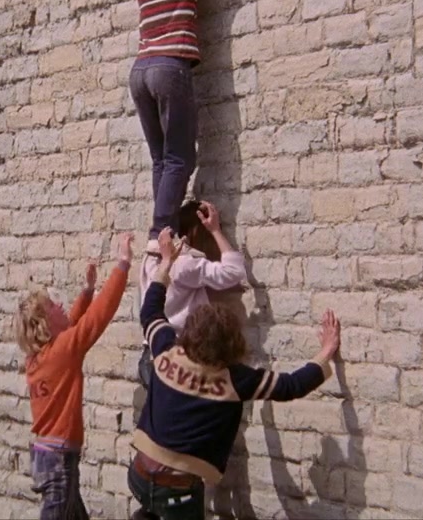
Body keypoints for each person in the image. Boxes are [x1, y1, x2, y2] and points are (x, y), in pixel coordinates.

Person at [128, 229, 342, 520]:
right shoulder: (235, 380)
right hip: (177, 493)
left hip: (139, 475)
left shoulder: (166, 352)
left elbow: (151, 311)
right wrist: (326, 352)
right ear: (232, 343)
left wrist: (166, 262)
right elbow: (293, 385)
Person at [129, 0, 240, 250]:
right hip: (169, 66)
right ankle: (160, 233)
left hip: (140, 71)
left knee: (161, 159)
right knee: (181, 156)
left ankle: (164, 231)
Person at [18, 232, 135, 520]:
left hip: (49, 455)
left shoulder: (38, 356)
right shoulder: (62, 351)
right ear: (46, 322)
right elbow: (96, 318)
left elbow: (71, 325)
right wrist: (122, 264)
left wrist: (87, 290)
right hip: (58, 460)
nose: (60, 306)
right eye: (53, 305)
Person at [136, 199, 247, 390]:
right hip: (177, 361)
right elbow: (234, 272)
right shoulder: (186, 265)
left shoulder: (151, 259)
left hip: (151, 356)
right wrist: (215, 231)